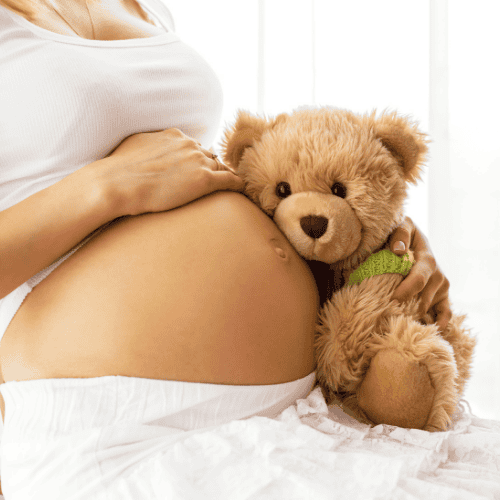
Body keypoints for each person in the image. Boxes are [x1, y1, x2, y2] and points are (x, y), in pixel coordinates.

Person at [0, 0, 452, 496]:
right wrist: (107, 185)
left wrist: (378, 239)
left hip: (301, 405)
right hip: (122, 424)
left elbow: (185, 167)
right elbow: (132, 175)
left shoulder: (140, 7)